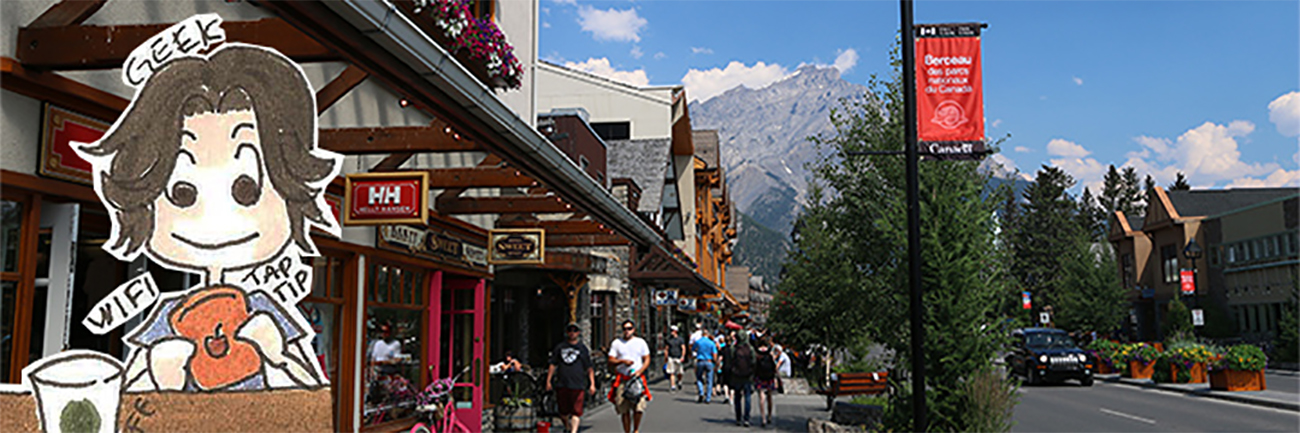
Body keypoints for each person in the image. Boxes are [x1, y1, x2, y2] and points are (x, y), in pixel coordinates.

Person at [547, 323, 595, 433]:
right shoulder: (560, 347)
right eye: (570, 331)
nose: (572, 333)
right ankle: (567, 426)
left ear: (578, 333)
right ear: (567, 333)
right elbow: (553, 364)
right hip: (563, 383)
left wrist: (592, 384)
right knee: (563, 412)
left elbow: (589, 367)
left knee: (576, 411)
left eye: (575, 331)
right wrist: (548, 380)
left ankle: (573, 431)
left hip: (578, 383)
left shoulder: (582, 348)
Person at [608, 319, 651, 433]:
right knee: (624, 408)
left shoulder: (640, 342)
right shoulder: (617, 343)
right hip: (623, 379)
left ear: (634, 330)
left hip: (636, 379)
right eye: (625, 329)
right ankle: (627, 431)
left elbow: (647, 358)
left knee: (639, 407)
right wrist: (622, 361)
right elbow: (611, 359)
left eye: (629, 328)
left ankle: (635, 430)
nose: (627, 331)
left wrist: (640, 371)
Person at [726, 329, 756, 427]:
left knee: (737, 396)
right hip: (747, 375)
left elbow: (730, 360)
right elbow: (753, 362)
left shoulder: (733, 348)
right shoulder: (750, 348)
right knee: (747, 397)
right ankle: (746, 418)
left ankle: (738, 418)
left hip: (736, 374)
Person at [754, 337, 779, 426]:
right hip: (769, 377)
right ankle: (769, 416)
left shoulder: (757, 353)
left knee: (761, 397)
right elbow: (774, 366)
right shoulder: (770, 353)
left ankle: (763, 418)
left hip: (760, 377)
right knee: (769, 397)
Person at [691, 328, 718, 403]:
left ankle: (701, 392)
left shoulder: (698, 342)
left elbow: (693, 349)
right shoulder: (711, 343)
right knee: (709, 380)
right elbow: (714, 353)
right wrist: (715, 361)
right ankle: (708, 398)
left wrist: (698, 352)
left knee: (699, 378)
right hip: (709, 361)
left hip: (700, 360)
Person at [661, 325, 687, 391]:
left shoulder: (680, 339)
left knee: (679, 372)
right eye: (671, 330)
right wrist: (666, 357)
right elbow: (666, 349)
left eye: (672, 330)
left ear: (676, 331)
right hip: (671, 357)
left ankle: (679, 381)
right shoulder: (669, 340)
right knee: (671, 372)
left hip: (678, 357)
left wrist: (683, 356)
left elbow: (683, 348)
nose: (671, 332)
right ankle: (673, 386)